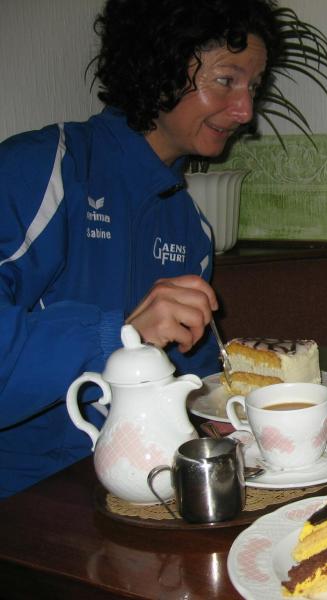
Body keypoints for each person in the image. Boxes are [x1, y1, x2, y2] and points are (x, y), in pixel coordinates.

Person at [0, 0, 281, 498]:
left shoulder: (190, 229)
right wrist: (119, 335)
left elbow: (190, 386)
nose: (245, 112)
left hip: (138, 493)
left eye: (252, 88)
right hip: (27, 500)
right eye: (226, 80)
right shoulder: (42, 170)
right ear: (158, 65)